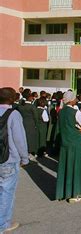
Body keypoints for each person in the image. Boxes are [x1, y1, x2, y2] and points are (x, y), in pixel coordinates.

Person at [0, 87, 29, 232]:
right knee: (6, 192)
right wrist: (25, 158)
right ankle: (3, 224)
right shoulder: (14, 114)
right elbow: (19, 139)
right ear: (12, 99)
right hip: (8, 159)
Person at [55, 91, 81, 203]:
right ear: (71, 100)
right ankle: (75, 194)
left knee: (66, 167)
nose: (76, 100)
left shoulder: (61, 112)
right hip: (75, 142)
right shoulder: (76, 112)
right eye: (75, 99)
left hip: (65, 142)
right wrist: (80, 128)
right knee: (76, 167)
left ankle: (64, 192)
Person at [17, 93, 38, 157]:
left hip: (22, 122)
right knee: (30, 138)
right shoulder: (32, 106)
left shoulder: (20, 106)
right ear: (29, 98)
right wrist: (36, 124)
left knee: (23, 137)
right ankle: (30, 151)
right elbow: (35, 117)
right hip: (31, 123)